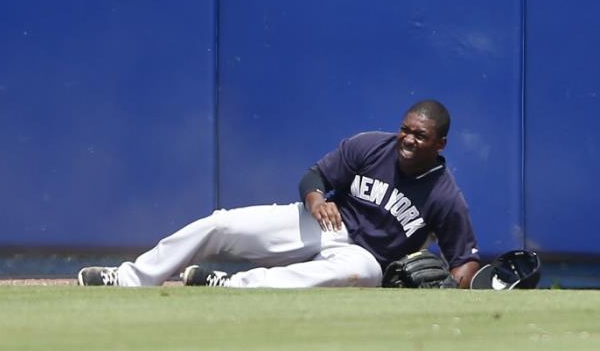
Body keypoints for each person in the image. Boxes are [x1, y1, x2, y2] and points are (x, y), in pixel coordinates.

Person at [78, 100, 480, 289]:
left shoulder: (444, 197)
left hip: (366, 258)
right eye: (405, 128)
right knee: (221, 223)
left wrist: (452, 289)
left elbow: (464, 264)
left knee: (352, 273)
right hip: (326, 223)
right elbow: (315, 175)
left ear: (440, 143)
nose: (407, 138)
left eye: (419, 135)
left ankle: (227, 285)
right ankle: (131, 278)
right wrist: (317, 200)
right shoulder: (371, 145)